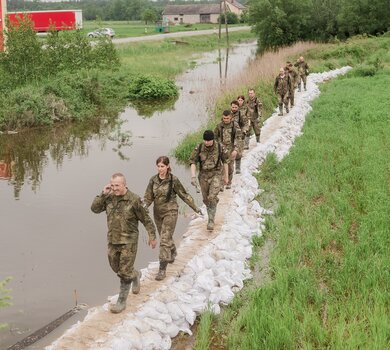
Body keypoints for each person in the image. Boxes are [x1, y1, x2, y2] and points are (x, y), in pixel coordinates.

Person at [91, 173, 157, 314]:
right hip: (112, 240)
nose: (114, 188)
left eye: (117, 185)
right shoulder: (108, 198)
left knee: (124, 272)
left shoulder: (134, 200)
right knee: (116, 267)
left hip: (129, 241)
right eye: (112, 185)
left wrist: (152, 236)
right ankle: (135, 275)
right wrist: (103, 194)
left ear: (124, 185)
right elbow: (94, 209)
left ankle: (121, 302)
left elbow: (146, 219)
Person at [143, 156, 202, 281]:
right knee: (165, 236)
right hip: (158, 214)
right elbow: (148, 197)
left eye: (162, 166)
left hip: (171, 212)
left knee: (164, 239)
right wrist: (142, 207)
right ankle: (173, 250)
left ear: (168, 166)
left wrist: (195, 208)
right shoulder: (153, 180)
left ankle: (162, 269)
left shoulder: (173, 180)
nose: (160, 169)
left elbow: (184, 195)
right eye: (158, 166)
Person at [189, 130, 229, 231]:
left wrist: (226, 176)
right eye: (205, 140)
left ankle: (211, 220)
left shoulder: (220, 147)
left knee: (211, 197)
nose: (206, 143)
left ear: (213, 140)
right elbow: (192, 161)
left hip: (216, 174)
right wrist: (193, 176)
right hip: (203, 176)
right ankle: (213, 202)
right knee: (206, 199)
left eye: (209, 141)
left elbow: (225, 162)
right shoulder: (199, 148)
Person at [214, 110, 242, 188]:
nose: (225, 120)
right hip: (221, 149)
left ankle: (229, 182)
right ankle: (221, 184)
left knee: (230, 167)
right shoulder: (219, 126)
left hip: (231, 149)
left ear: (231, 118)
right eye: (224, 118)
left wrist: (236, 150)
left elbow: (239, 138)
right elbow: (215, 137)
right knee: (220, 167)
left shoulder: (235, 126)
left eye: (227, 118)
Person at [230, 100, 249, 174]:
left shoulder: (241, 115)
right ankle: (229, 169)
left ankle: (237, 168)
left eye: (235, 107)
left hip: (239, 136)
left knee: (238, 153)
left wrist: (244, 131)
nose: (234, 108)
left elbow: (246, 124)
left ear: (238, 107)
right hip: (229, 136)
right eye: (233, 107)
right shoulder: (228, 114)